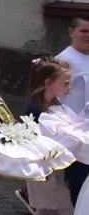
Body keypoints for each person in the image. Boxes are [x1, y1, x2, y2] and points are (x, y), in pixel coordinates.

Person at [22, 58, 75, 215]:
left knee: (48, 209)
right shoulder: (35, 110)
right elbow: (28, 140)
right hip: (44, 171)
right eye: (65, 83)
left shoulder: (55, 106)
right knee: (63, 207)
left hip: (55, 170)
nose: (69, 87)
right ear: (48, 83)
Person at [55, 16, 89, 206]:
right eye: (83, 31)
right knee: (78, 185)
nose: (88, 36)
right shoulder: (63, 61)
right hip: (73, 134)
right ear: (71, 32)